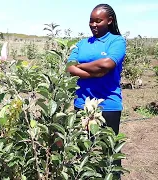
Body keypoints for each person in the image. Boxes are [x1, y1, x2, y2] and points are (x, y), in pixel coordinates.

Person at [66, 4, 126, 178]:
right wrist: (96, 71)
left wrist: (82, 68)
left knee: (109, 151)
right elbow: (69, 67)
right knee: (82, 150)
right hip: (82, 104)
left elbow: (108, 64)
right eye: (91, 21)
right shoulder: (81, 43)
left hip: (108, 105)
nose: (93, 24)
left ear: (109, 20)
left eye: (98, 21)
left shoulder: (117, 41)